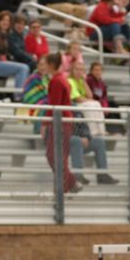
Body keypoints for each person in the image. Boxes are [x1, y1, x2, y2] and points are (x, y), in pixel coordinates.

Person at [43, 52, 81, 194]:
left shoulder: (56, 81)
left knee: (55, 155)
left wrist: (45, 124)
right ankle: (67, 184)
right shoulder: (61, 79)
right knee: (57, 154)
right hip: (65, 121)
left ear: (52, 65)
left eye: (46, 63)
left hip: (60, 122)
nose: (45, 66)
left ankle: (68, 183)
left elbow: (54, 106)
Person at [0, 12, 30, 98]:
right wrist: (4, 57)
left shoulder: (5, 34)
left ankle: (20, 95)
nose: (5, 22)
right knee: (23, 68)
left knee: (25, 67)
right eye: (3, 20)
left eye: (8, 20)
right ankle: (18, 97)